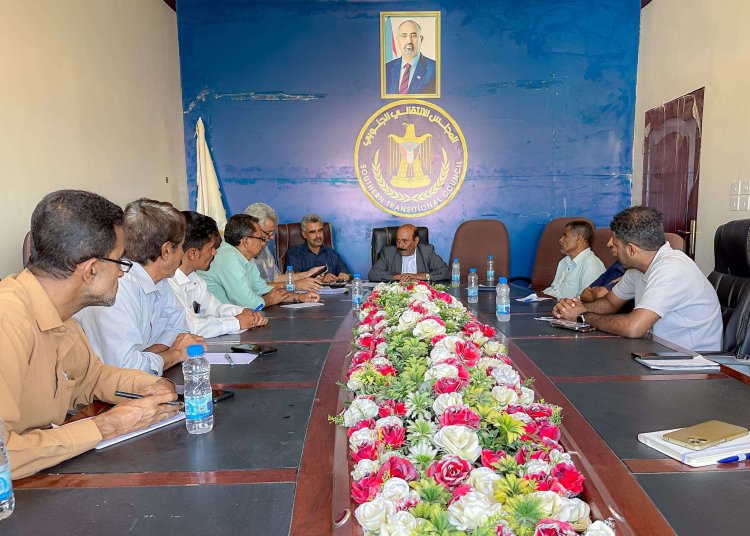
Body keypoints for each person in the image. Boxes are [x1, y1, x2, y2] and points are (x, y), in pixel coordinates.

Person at [0, 190, 179, 479]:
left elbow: (92, 378)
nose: (122, 274)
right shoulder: (8, 324)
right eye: (120, 262)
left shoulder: (60, 315)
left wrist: (151, 384)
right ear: (91, 270)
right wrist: (109, 425)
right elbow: (2, 455)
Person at [553, 206, 722, 351]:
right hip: (656, 351)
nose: (609, 244)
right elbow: (610, 303)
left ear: (631, 250)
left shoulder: (671, 269)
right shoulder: (638, 269)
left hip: (689, 361)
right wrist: (576, 309)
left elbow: (633, 327)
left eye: (615, 242)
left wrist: (583, 317)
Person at [76, 199, 205, 376]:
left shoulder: (160, 279)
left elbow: (179, 330)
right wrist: (175, 354)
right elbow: (126, 369)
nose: (183, 254)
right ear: (166, 251)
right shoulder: (115, 286)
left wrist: (145, 357)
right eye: (182, 247)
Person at [168, 211, 268, 338]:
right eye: (211, 248)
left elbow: (215, 309)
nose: (215, 252)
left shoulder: (194, 279)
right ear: (193, 254)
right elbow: (190, 328)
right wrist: (237, 322)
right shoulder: (169, 284)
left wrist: (242, 311)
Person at [200, 214, 319, 309]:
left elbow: (261, 288)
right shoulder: (228, 258)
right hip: (216, 322)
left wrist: (299, 297)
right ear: (246, 241)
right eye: (260, 238)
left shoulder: (246, 258)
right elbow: (248, 303)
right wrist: (268, 300)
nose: (263, 242)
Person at [243, 202, 323, 290]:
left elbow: (275, 278)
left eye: (272, 232)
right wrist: (294, 285)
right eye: (268, 232)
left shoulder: (264, 248)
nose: (272, 237)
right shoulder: (239, 255)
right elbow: (254, 287)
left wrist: (308, 274)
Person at [542, 221, 606, 299]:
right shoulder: (564, 261)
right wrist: (538, 296)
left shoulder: (591, 265)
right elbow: (554, 290)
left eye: (565, 236)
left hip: (566, 306)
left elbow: (586, 300)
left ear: (578, 239)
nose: (561, 240)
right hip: (552, 302)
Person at [368, 224, 450, 282]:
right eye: (398, 241)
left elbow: (446, 271)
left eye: (405, 241)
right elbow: (373, 274)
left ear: (416, 241)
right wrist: (395, 277)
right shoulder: (389, 252)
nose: (400, 245)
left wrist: (419, 276)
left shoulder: (427, 251)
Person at [286, 214, 352, 283]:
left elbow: (347, 275)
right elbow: (293, 277)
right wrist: (321, 278)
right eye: (312, 232)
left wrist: (346, 277)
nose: (318, 235)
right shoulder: (295, 253)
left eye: (320, 231)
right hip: (306, 290)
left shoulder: (332, 253)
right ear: (304, 234)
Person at [385, 20, 437, 95]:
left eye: (413, 35)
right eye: (404, 36)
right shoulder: (386, 69)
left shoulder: (435, 69)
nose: (409, 41)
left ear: (421, 39)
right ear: (397, 40)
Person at [580, 235, 626, 302]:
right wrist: (599, 292)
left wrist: (595, 291)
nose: (608, 244)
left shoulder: (635, 272)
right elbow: (584, 294)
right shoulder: (618, 264)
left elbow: (602, 295)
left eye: (615, 237)